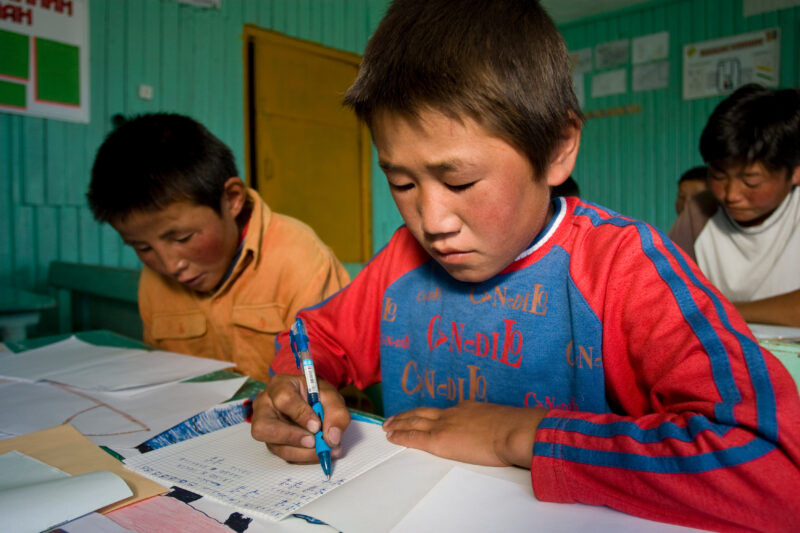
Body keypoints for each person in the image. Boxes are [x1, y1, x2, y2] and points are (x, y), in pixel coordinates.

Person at [250, 2, 800, 531]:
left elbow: (774, 469)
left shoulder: (623, 268)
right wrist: (300, 388)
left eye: (460, 181)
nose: (432, 221)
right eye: (401, 183)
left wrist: (522, 435)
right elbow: (311, 337)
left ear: (558, 149)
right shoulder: (403, 258)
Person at [87, 113, 350, 381]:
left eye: (183, 238)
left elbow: (327, 380)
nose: (169, 266)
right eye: (142, 247)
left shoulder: (300, 259)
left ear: (232, 200)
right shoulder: (154, 280)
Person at [669, 84, 800, 328]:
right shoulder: (699, 212)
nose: (731, 195)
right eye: (718, 175)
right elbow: (668, 291)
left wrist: (717, 306)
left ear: (795, 172)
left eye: (751, 181)